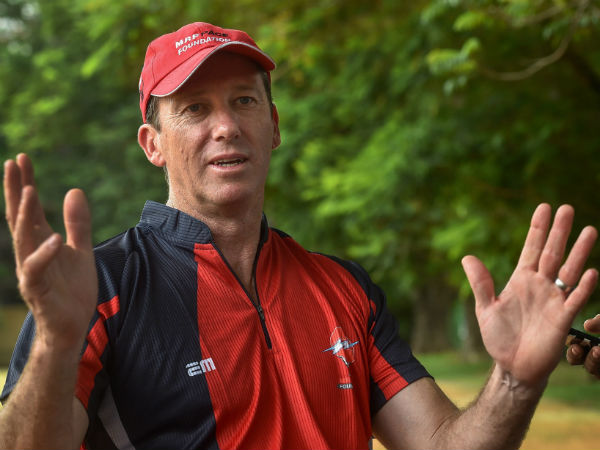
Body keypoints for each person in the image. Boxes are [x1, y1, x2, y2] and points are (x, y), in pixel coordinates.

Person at [0, 21, 598, 450]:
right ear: (152, 144)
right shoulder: (100, 289)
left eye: (243, 101)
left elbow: (443, 442)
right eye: (195, 109)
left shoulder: (345, 287)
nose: (226, 126)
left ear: (274, 125)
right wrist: (55, 341)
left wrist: (516, 380)